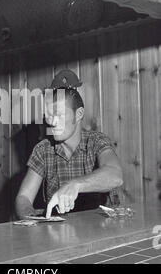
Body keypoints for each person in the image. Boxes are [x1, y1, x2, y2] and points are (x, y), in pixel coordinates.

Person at [15, 70, 123, 219]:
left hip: (101, 230)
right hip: (61, 235)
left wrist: (75, 185)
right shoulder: (43, 149)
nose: (52, 122)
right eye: (49, 116)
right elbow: (23, 198)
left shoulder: (97, 141)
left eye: (58, 115)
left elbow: (115, 176)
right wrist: (31, 221)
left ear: (78, 114)